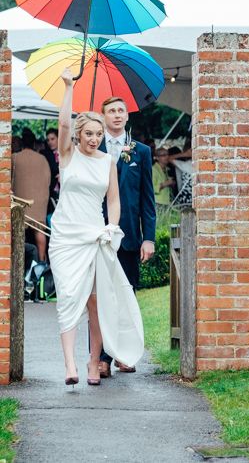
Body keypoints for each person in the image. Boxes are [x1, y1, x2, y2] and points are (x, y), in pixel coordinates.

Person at [49, 68, 143, 387]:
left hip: (93, 236)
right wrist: (67, 88)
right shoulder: (67, 155)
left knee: (95, 301)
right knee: (67, 296)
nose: (94, 139)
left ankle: (93, 362)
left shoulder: (107, 162)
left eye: (98, 134)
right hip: (64, 236)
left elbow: (113, 201)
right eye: (88, 134)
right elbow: (62, 123)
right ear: (78, 135)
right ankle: (69, 364)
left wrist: (111, 228)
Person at [98, 96, 156, 377]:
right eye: (112, 111)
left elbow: (148, 198)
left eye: (121, 111)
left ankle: (125, 354)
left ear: (127, 116)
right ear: (103, 115)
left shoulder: (141, 151)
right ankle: (101, 358)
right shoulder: (92, 148)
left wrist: (150, 238)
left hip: (131, 235)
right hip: (98, 234)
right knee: (100, 296)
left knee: (126, 295)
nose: (117, 115)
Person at [11, 128, 51, 261]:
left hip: (19, 199)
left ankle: (18, 261)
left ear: (22, 143)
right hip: (39, 200)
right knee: (39, 230)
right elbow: (48, 179)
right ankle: (41, 261)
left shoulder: (15, 158)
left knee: (18, 231)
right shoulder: (42, 158)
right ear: (34, 144)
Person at [41, 127, 61, 215]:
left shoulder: (67, 153)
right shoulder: (45, 155)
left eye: (52, 139)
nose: (50, 142)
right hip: (51, 191)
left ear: (59, 138)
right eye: (48, 140)